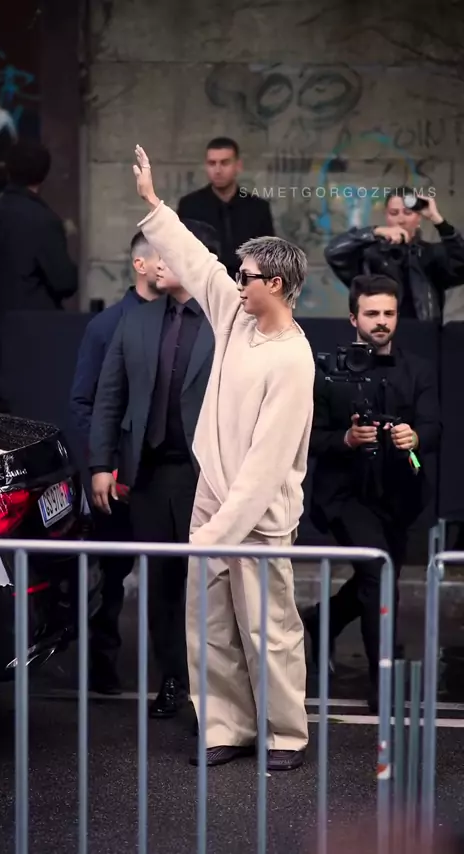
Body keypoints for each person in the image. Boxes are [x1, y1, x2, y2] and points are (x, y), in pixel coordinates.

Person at [133, 143, 315, 771]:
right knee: (208, 623)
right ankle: (225, 726)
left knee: (269, 629)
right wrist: (154, 204)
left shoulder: (292, 358)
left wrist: (216, 533)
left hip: (260, 515)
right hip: (213, 494)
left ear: (277, 285)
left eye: (248, 276)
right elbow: (196, 260)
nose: (236, 282)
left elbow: (266, 466)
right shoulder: (235, 316)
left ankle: (285, 734)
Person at [89, 219, 218, 718]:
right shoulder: (137, 320)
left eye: (167, 253)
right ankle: (172, 679)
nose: (156, 263)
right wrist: (102, 464)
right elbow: (109, 395)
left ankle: (213, 690)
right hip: (148, 474)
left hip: (204, 474)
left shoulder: (225, 319)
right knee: (159, 583)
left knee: (206, 584)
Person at [305, 274, 440, 712]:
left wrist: (414, 437)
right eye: (372, 313)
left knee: (379, 578)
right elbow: (309, 437)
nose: (381, 321)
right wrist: (345, 439)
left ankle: (323, 619)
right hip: (345, 495)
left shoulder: (418, 369)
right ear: (353, 318)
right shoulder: (329, 371)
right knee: (379, 576)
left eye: (389, 313)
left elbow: (434, 427)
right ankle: (382, 682)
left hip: (399, 494)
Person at [69, 231, 160, 694]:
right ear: (141, 264)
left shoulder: (185, 320)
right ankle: (100, 664)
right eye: (163, 255)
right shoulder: (107, 326)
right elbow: (85, 402)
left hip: (165, 475)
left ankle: (173, 673)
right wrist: (104, 464)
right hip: (118, 476)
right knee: (109, 576)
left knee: (171, 575)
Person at [0, 138, 78, 411]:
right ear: (44, 174)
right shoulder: (43, 220)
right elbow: (64, 282)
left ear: (8, 169)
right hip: (30, 341)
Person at [324, 186, 464, 321]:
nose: (401, 220)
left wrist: (438, 220)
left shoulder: (431, 254)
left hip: (424, 332)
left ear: (419, 217)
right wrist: (375, 231)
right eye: (394, 213)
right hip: (379, 331)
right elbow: (334, 252)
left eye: (407, 213)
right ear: (386, 216)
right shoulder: (370, 254)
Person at [177, 137, 274, 279]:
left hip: (246, 285)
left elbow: (269, 258)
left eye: (225, 163)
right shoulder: (189, 206)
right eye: (212, 163)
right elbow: (181, 253)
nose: (218, 170)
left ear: (238, 166)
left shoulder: (258, 209)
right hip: (201, 284)